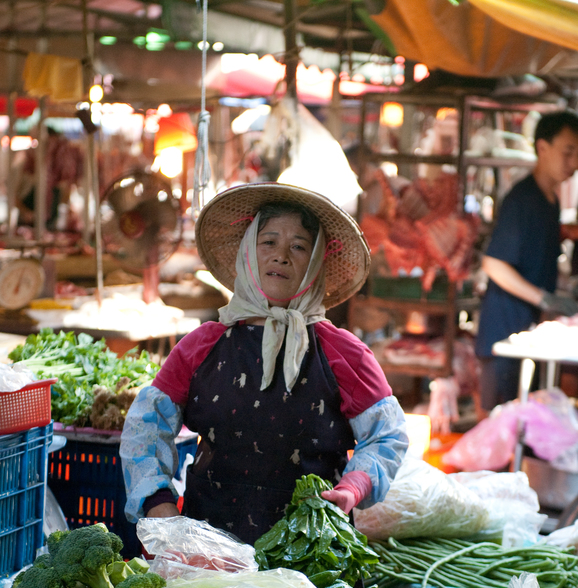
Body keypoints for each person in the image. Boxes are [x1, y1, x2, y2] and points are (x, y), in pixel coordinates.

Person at [120, 183, 408, 545]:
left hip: (313, 555)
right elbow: (144, 429)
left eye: (299, 247)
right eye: (268, 242)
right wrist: (158, 504)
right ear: (247, 254)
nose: (281, 256)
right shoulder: (201, 346)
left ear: (316, 263)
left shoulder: (344, 354)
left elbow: (387, 434)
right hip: (210, 552)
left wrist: (354, 486)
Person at [476, 110, 578, 411]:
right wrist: (544, 298)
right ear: (542, 148)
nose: (573, 164)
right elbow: (493, 264)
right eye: (568, 152)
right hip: (503, 335)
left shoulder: (552, 200)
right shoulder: (522, 200)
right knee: (500, 430)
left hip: (526, 334)